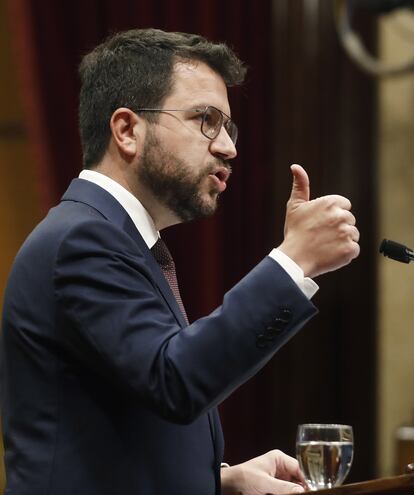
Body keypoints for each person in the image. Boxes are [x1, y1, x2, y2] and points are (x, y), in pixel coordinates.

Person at [0, 28, 360, 495]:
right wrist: (295, 261)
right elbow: (174, 380)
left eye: (228, 127)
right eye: (205, 119)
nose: (228, 147)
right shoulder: (82, 239)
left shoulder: (117, 238)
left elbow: (122, 425)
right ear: (127, 130)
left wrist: (220, 481)